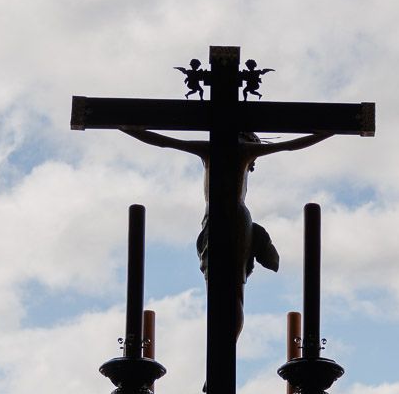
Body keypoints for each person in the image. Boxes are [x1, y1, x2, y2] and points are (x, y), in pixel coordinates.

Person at [118, 126, 332, 340]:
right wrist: (328, 132)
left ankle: (226, 343)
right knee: (232, 286)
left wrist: (123, 126)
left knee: (221, 285)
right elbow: (290, 146)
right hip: (229, 217)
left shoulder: (217, 149)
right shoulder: (242, 150)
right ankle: (226, 342)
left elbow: (164, 142)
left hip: (223, 215)